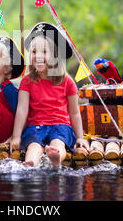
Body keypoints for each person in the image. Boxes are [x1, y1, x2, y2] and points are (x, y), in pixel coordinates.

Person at [10, 22, 89, 168]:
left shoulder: (67, 81)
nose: (38, 56)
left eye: (44, 52)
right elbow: (22, 110)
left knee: (58, 143)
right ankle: (32, 161)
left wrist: (80, 137)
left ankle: (56, 158)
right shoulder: (27, 81)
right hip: (36, 126)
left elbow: (74, 113)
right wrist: (16, 136)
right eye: (34, 52)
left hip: (60, 126)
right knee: (34, 145)